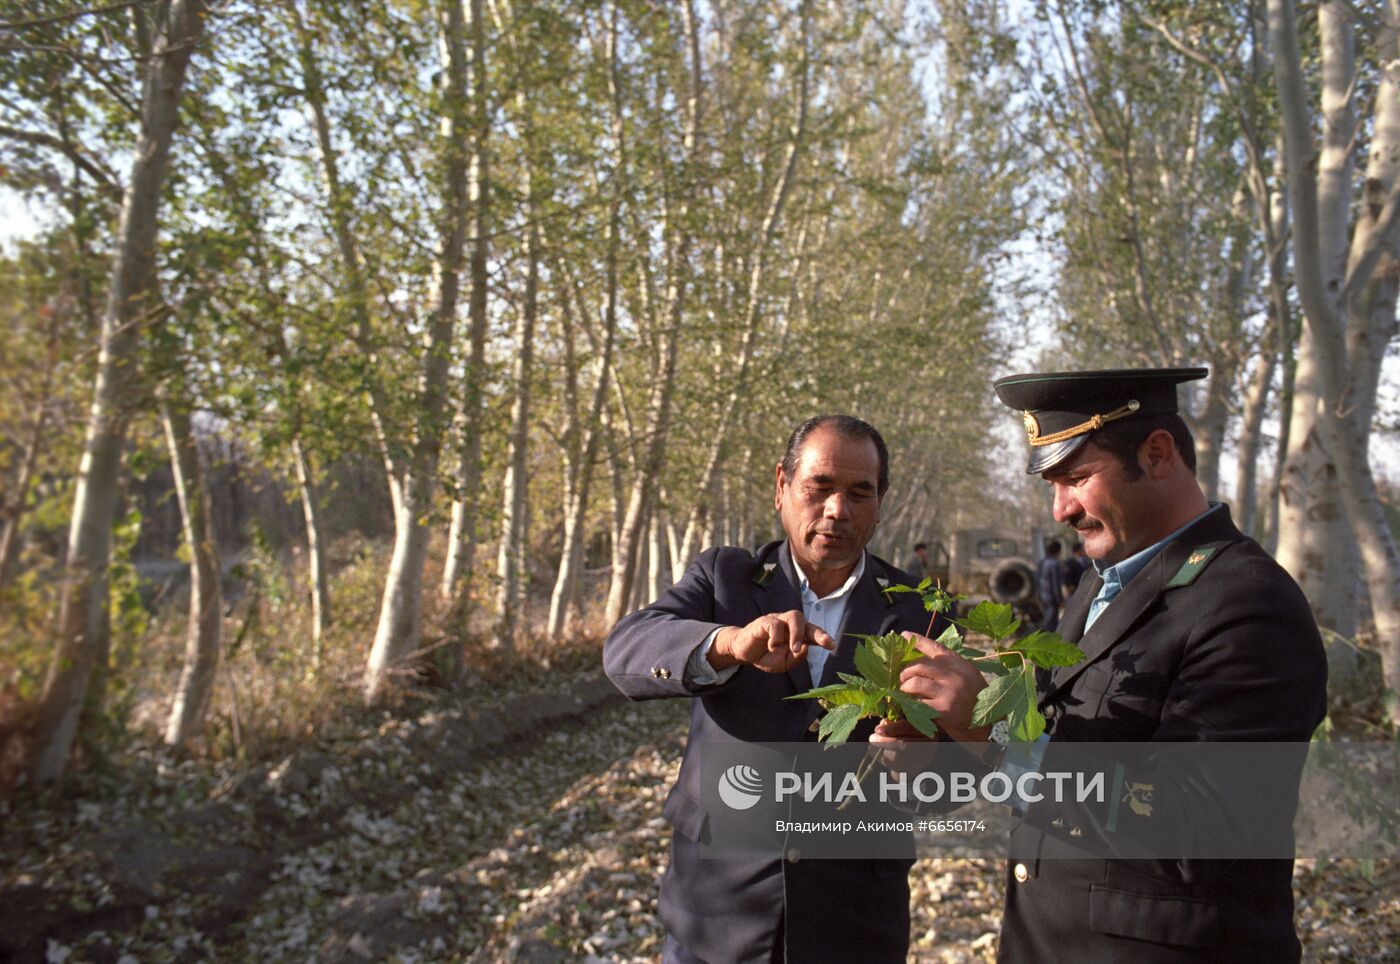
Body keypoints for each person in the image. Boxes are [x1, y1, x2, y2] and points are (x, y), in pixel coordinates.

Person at [879, 368, 1327, 963]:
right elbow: (1053, 749)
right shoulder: (1099, 588)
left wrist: (994, 738)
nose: (1061, 509)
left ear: (1158, 454)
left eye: (1078, 478)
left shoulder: (1248, 604)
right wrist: (946, 751)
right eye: (1051, 484)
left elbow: (1202, 826)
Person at [604, 415, 936, 963]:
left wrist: (928, 761)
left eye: (859, 493)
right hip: (713, 918)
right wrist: (730, 644)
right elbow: (627, 650)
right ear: (782, 487)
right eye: (819, 488)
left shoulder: (917, 608)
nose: (837, 510)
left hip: (852, 923)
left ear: (881, 502)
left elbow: (956, 760)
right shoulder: (726, 579)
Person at [1035, 539, 1063, 630]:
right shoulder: (1054, 564)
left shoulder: (1042, 562)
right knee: (1052, 622)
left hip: (1042, 595)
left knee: (1047, 619)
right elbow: (1055, 583)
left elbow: (1037, 579)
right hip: (1052, 598)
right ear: (1058, 551)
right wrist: (1059, 599)